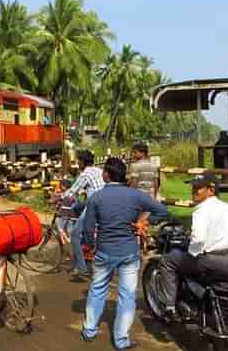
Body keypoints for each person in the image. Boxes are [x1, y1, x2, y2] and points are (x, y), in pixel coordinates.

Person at [81, 157, 167, 350]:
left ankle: (89, 330)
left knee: (97, 289)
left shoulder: (96, 198)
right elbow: (162, 210)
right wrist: (143, 223)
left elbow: (87, 230)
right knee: (127, 295)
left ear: (106, 175)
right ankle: (121, 340)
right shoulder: (135, 196)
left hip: (104, 251)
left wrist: (90, 246)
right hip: (129, 252)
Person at [158, 172, 228, 320]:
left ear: (211, 190)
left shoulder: (201, 211)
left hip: (212, 262)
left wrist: (193, 251)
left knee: (168, 260)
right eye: (193, 187)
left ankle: (169, 307)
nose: (194, 191)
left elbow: (199, 239)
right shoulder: (227, 207)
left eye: (198, 188)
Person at [63, 149, 105, 279]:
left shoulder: (85, 173)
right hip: (105, 202)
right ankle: (77, 261)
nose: (77, 164)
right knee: (77, 207)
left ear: (82, 162)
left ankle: (82, 269)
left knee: (75, 234)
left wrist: (59, 197)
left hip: (94, 205)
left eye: (78, 161)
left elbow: (72, 192)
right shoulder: (98, 170)